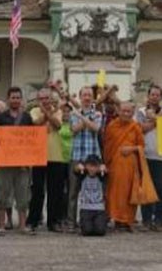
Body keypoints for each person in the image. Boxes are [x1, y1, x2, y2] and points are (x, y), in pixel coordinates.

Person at [103, 101, 152, 231]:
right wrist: (106, 162)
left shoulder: (135, 126)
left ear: (132, 113)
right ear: (118, 111)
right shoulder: (112, 126)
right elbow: (107, 146)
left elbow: (141, 146)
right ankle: (116, 218)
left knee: (130, 192)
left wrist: (131, 149)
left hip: (131, 167)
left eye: (128, 111)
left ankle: (127, 220)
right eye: (123, 111)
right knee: (115, 193)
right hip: (115, 165)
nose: (125, 114)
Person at [0, 86, 34, 234]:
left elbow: (32, 138)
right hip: (4, 162)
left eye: (17, 97)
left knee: (23, 194)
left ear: (21, 99)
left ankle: (22, 225)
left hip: (22, 163)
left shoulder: (27, 117)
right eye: (13, 97)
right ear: (8, 99)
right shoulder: (0, 117)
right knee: (2, 193)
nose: (15, 100)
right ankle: (1, 225)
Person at [28, 86, 68, 233]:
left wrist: (48, 112)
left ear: (51, 99)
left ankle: (53, 222)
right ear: (38, 100)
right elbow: (36, 123)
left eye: (47, 98)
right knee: (37, 191)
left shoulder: (58, 111)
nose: (44, 101)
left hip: (56, 156)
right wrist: (48, 113)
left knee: (55, 191)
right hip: (38, 156)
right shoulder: (34, 111)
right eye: (42, 98)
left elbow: (58, 125)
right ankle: (33, 220)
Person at [136, 85, 162, 231]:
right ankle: (146, 219)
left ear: (161, 97)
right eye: (153, 94)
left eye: (157, 95)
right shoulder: (140, 112)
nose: (155, 97)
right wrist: (157, 120)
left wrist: (154, 119)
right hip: (145, 155)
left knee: (161, 189)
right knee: (146, 189)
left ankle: (159, 219)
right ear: (148, 95)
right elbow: (141, 129)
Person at [67, 86, 103, 230]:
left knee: (95, 190)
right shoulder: (72, 114)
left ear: (93, 98)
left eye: (89, 95)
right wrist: (87, 120)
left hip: (93, 157)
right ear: (80, 97)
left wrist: (81, 117)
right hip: (77, 156)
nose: (87, 98)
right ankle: (71, 222)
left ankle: (94, 220)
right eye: (84, 95)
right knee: (73, 191)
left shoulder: (98, 113)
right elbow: (73, 130)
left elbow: (96, 128)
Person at [77, 154, 107, 236]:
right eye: (90, 165)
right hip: (85, 208)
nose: (92, 169)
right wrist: (80, 167)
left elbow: (107, 172)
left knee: (100, 231)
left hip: (99, 209)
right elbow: (75, 170)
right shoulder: (82, 176)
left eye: (95, 166)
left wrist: (103, 168)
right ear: (86, 166)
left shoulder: (101, 176)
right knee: (87, 231)